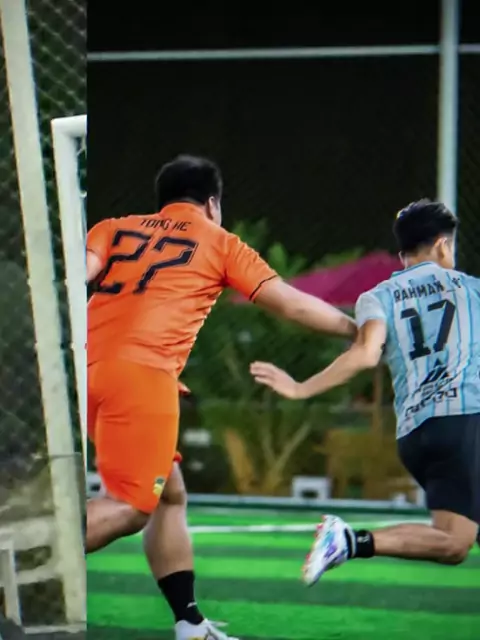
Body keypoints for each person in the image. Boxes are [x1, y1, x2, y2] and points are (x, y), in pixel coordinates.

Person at [86, 154, 356, 639]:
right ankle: (27, 558)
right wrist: (359, 332)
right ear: (212, 203)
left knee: (169, 495)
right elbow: (292, 305)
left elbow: (78, 274)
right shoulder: (219, 241)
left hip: (84, 369)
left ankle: (190, 622)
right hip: (142, 376)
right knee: (130, 506)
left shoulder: (114, 227)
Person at [251, 199, 480, 586]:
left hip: (416, 435)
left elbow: (364, 354)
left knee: (459, 535)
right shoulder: (471, 290)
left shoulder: (379, 296)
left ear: (402, 253)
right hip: (465, 421)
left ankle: (349, 541)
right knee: (454, 542)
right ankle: (347, 541)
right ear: (443, 244)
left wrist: (301, 387)